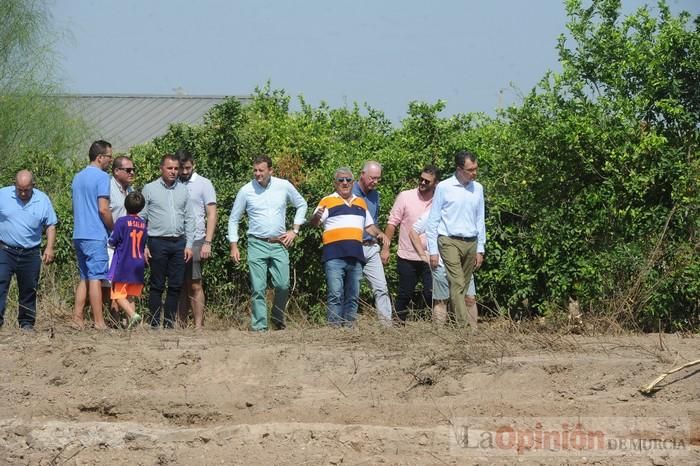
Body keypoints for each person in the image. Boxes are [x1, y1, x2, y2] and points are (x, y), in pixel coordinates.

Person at [227, 155, 307, 331]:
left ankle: (277, 320)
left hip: (279, 243)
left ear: (270, 171)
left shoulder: (283, 186)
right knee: (258, 288)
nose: (257, 174)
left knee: (283, 284)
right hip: (256, 243)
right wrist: (234, 245)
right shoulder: (246, 190)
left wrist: (294, 230)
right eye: (255, 170)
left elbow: (301, 204)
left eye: (261, 170)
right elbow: (233, 219)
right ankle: (259, 327)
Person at [310, 168, 388, 327]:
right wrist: (316, 216)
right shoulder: (327, 200)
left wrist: (380, 235)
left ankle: (349, 329)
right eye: (341, 180)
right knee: (335, 294)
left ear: (352, 183)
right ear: (335, 183)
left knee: (353, 295)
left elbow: (370, 226)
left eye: (348, 180)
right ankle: (334, 330)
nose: (344, 183)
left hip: (355, 256)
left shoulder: (360, 202)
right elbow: (315, 223)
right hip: (334, 256)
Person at [426, 150, 485, 328]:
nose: (474, 173)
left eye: (476, 169)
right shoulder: (444, 187)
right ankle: (463, 326)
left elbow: (479, 219)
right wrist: (433, 251)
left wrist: (480, 248)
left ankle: (458, 325)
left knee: (464, 287)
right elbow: (433, 220)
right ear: (459, 169)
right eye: (470, 170)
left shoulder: (478, 188)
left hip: (471, 241)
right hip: (448, 240)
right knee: (457, 282)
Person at [142, 153, 195, 329]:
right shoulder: (149, 189)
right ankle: (155, 323)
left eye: (175, 168)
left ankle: (169, 323)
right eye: (169, 168)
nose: (173, 171)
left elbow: (190, 218)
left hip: (179, 243)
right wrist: (143, 245)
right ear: (161, 169)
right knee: (157, 285)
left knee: (175, 285)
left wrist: (188, 245)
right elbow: (141, 219)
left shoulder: (183, 189)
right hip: (157, 242)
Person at [0, 170, 58, 330]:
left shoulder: (42, 199)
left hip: (31, 252)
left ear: (33, 185)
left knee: (28, 288)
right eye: (20, 189)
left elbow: (50, 225)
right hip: (5, 250)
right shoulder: (3, 195)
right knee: (0, 285)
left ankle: (26, 324)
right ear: (15, 185)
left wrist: (49, 247)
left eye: (27, 189)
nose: (23, 193)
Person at [383, 165, 440, 322]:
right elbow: (392, 223)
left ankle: (436, 327)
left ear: (435, 183)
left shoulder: (439, 200)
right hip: (407, 255)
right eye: (420, 179)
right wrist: (385, 248)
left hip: (431, 256)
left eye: (427, 181)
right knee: (404, 293)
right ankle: (397, 326)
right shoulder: (405, 196)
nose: (422, 182)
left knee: (432, 293)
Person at [72, 140, 114, 330]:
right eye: (109, 157)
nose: (110, 161)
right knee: (96, 277)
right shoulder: (102, 177)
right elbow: (103, 209)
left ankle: (77, 319)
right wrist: (113, 228)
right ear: (100, 157)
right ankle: (99, 322)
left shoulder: (78, 177)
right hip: (95, 234)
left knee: (85, 277)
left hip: (79, 234)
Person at [410, 210, 476, 323]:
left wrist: (477, 252)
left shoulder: (465, 209)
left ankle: (472, 334)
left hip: (463, 264)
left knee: (469, 298)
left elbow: (475, 232)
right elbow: (413, 232)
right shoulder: (433, 212)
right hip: (440, 264)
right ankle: (439, 335)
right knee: (441, 301)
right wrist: (423, 254)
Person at [176, 149, 217, 328]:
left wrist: (207, 242)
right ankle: (181, 324)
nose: (184, 172)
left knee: (194, 284)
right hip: (176, 239)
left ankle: (199, 326)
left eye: (187, 168)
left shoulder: (204, 184)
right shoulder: (173, 183)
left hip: (197, 239)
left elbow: (212, 214)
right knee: (179, 285)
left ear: (193, 165)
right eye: (181, 168)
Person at [351, 161, 392, 326]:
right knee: (352, 289)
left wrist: (382, 242)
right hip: (353, 247)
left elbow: (372, 222)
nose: (375, 182)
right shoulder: (348, 192)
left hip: (371, 246)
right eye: (372, 178)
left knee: (381, 287)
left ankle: (386, 327)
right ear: (362, 174)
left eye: (378, 179)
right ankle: (348, 325)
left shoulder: (375, 195)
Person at [107, 191, 147, 329]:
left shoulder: (122, 221)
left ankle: (133, 315)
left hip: (124, 263)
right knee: (130, 296)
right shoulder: (143, 223)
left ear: (125, 205)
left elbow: (113, 240)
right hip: (138, 263)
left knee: (117, 295)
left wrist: (109, 242)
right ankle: (135, 325)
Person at [105, 155, 135, 324]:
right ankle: (114, 320)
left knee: (126, 283)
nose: (132, 173)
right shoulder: (107, 188)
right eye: (128, 170)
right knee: (113, 283)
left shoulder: (131, 191)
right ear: (116, 171)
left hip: (128, 246)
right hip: (111, 243)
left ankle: (124, 320)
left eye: (133, 170)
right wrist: (115, 231)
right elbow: (103, 211)